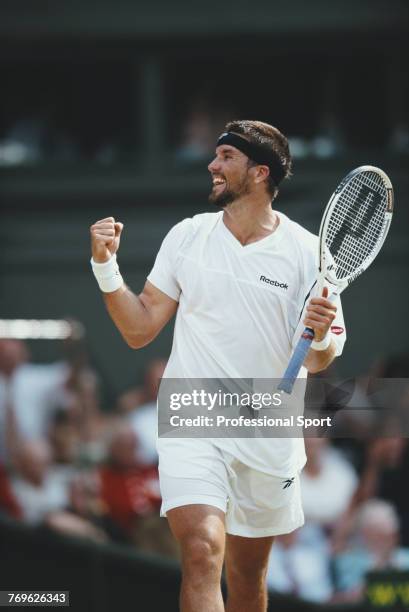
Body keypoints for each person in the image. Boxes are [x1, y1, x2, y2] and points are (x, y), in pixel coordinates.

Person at [89, 120, 346, 612]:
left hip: (269, 431)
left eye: (226, 156)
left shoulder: (309, 253)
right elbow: (139, 328)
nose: (212, 164)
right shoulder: (188, 236)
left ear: (260, 171)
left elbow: (321, 356)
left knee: (248, 578)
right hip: (195, 416)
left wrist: (318, 337)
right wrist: (106, 267)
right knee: (204, 551)